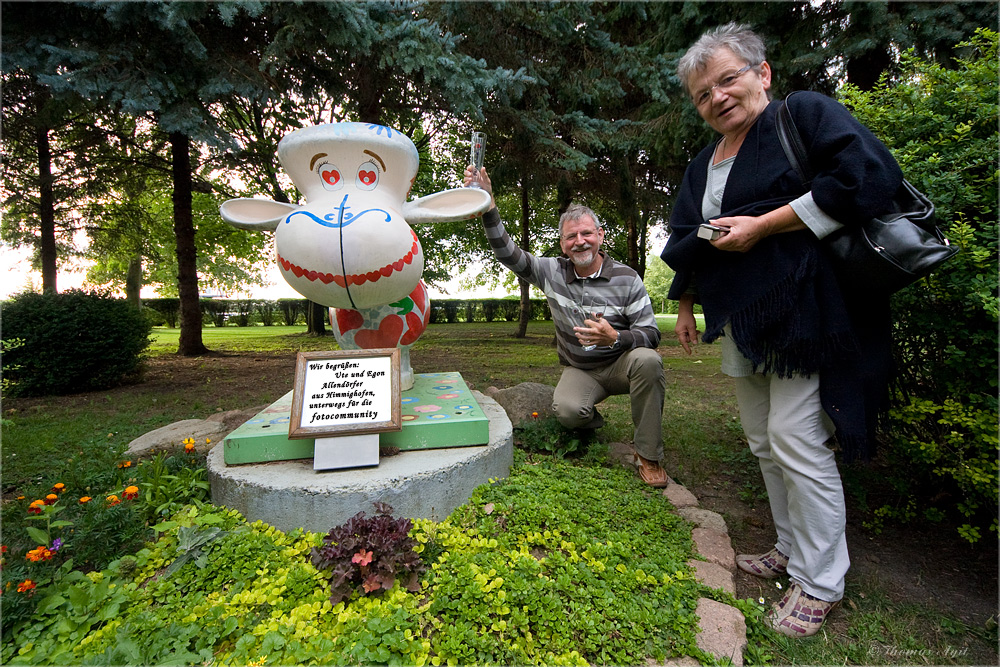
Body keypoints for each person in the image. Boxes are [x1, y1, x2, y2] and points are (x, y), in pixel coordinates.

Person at [660, 23, 899, 637]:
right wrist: (685, 304)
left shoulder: (803, 116)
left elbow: (869, 178)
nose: (717, 97)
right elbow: (689, 236)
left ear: (762, 73)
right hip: (742, 318)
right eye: (702, 93)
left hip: (806, 312)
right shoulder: (703, 165)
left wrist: (766, 225)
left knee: (796, 437)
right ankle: (790, 549)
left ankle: (821, 581)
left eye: (727, 79)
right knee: (764, 441)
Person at [465, 165, 668, 487]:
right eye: (571, 236)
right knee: (569, 411)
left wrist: (616, 337)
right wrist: (489, 206)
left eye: (587, 233)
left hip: (622, 364)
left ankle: (649, 455)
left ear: (600, 236)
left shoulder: (627, 277)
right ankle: (591, 419)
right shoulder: (551, 272)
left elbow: (652, 333)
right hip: (582, 370)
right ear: (562, 244)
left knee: (648, 360)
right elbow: (508, 253)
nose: (580, 241)